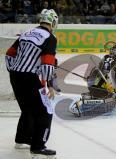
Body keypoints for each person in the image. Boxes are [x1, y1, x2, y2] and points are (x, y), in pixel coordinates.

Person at [5, 9, 58, 157]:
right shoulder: (50, 37)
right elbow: (47, 65)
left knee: (28, 109)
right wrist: (50, 85)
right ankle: (38, 146)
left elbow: (9, 53)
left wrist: (14, 70)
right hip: (30, 78)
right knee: (46, 111)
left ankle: (22, 139)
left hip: (15, 76)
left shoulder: (26, 33)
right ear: (53, 22)